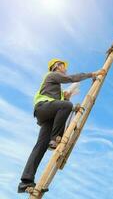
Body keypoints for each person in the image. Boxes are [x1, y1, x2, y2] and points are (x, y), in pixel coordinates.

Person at [18, 58, 106, 193]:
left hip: (47, 115)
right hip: (43, 108)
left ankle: (25, 181)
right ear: (57, 66)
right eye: (63, 66)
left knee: (40, 146)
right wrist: (92, 74)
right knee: (67, 106)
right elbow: (71, 79)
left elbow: (60, 107)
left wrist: (66, 97)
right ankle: (55, 139)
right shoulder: (52, 75)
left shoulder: (57, 90)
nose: (65, 69)